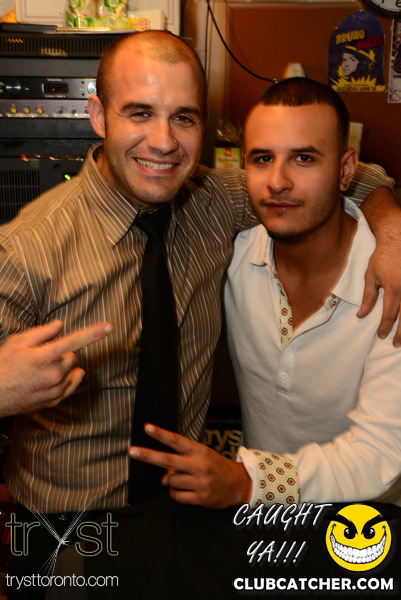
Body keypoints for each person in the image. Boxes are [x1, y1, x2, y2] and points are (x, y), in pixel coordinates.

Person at [0, 31, 398, 596]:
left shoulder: (213, 201)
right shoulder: (26, 250)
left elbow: (348, 175)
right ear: (98, 115)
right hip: (65, 525)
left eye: (183, 118)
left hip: (183, 513)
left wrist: (392, 229)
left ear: (203, 126)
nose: (163, 142)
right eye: (140, 112)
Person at [129, 77, 401, 511]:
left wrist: (248, 481)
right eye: (262, 159)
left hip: (369, 522)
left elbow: (380, 454)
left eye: (304, 158)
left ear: (346, 170)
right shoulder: (232, 257)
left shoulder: (394, 280)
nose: (277, 181)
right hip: (258, 517)